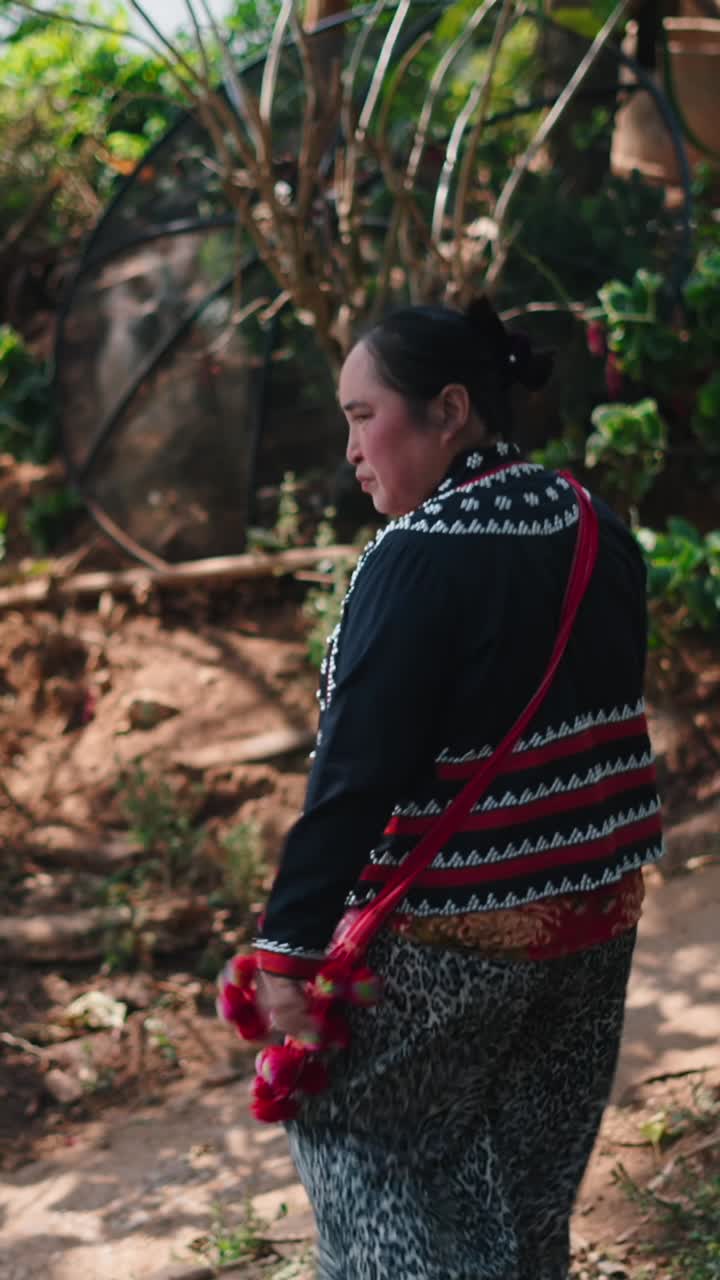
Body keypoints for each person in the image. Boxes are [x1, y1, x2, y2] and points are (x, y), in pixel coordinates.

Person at [251, 298, 662, 1280]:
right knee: (527, 1191)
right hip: (596, 918)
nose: (352, 447)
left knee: (371, 1152)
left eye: (363, 415)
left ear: (449, 409)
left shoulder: (418, 553)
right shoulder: (591, 520)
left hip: (452, 938)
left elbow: (354, 776)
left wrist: (286, 948)